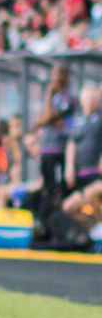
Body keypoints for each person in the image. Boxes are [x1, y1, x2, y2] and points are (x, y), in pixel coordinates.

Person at [62, 85, 102, 240]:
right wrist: (69, 168)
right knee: (68, 207)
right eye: (89, 99)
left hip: (97, 176)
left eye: (94, 99)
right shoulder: (78, 121)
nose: (92, 102)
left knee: (93, 193)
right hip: (82, 177)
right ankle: (94, 229)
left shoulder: (99, 118)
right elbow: (71, 144)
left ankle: (99, 226)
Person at [33, 64, 74, 197]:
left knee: (59, 187)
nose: (55, 78)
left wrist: (49, 96)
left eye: (59, 74)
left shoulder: (67, 99)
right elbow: (39, 121)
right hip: (46, 148)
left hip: (59, 149)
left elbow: (48, 116)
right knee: (47, 186)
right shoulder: (52, 99)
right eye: (54, 74)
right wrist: (46, 118)